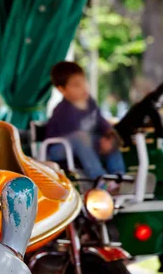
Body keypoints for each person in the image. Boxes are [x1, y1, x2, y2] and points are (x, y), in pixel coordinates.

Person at [46, 61, 126, 189]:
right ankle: (100, 179)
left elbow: (102, 123)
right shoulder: (62, 111)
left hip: (85, 145)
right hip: (59, 148)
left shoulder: (90, 103)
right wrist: (98, 142)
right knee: (81, 137)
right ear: (62, 89)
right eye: (77, 85)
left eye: (84, 82)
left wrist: (109, 136)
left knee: (111, 137)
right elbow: (76, 137)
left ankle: (118, 176)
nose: (84, 87)